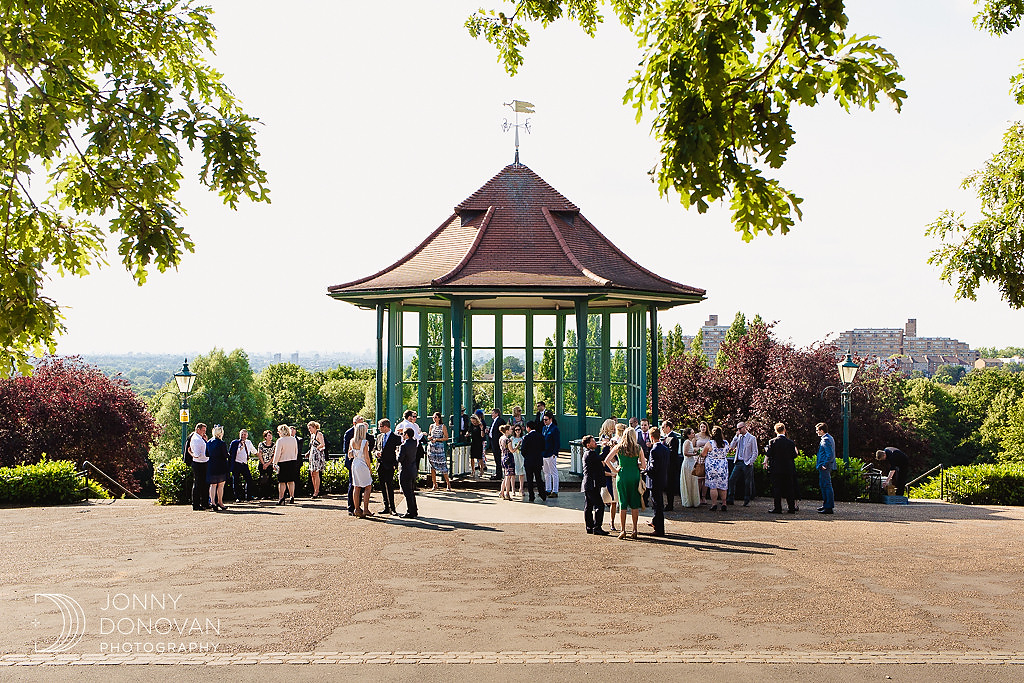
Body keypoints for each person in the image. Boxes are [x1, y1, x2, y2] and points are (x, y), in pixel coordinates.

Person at [605, 427, 646, 539]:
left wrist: (615, 470)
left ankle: (623, 530)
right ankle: (634, 529)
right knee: (634, 504)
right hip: (634, 475)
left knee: (622, 504)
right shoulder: (638, 448)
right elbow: (644, 465)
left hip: (622, 475)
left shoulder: (619, 447)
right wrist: (636, 465)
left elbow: (607, 460)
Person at [765, 422, 799, 514]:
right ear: (784, 430)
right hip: (788, 468)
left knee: (777, 489)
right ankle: (791, 508)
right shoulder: (790, 443)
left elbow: (769, 454)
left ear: (776, 431)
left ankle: (778, 508)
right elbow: (794, 455)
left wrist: (766, 461)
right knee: (789, 488)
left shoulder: (772, 441)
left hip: (776, 468)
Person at [581, 435, 608, 535]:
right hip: (592, 484)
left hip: (589, 484)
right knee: (599, 505)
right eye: (593, 441)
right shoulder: (590, 454)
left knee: (588, 506)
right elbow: (601, 457)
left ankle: (590, 526)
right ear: (588, 445)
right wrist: (607, 448)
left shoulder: (588, 453)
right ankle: (597, 527)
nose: (595, 442)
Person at [727, 421, 758, 506]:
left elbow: (755, 452)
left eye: (740, 428)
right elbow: (732, 447)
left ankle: (747, 499)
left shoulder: (752, 438)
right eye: (737, 429)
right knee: (732, 479)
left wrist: (750, 462)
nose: (739, 430)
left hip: (746, 462)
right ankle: (730, 498)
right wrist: (735, 437)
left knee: (747, 482)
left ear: (745, 427)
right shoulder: (738, 437)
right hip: (738, 461)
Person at [647, 426, 669, 536]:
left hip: (654, 481)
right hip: (662, 478)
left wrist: (645, 470)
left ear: (651, 437)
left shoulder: (654, 450)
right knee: (659, 503)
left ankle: (659, 529)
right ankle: (656, 523)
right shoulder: (665, 449)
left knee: (657, 505)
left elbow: (652, 468)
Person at [376, 418, 401, 514]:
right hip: (380, 465)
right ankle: (386, 507)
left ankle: (393, 508)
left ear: (385, 427)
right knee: (382, 486)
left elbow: (398, 451)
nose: (379, 428)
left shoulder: (395, 437)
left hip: (390, 465)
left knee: (390, 486)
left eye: (380, 427)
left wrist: (395, 464)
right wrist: (376, 453)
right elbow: (375, 448)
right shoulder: (379, 437)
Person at [598, 419, 620, 531]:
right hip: (608, 470)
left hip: (614, 467)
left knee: (614, 500)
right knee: (608, 497)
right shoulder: (605, 441)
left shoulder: (614, 439)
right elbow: (603, 458)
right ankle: (603, 522)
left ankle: (612, 522)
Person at [702, 425, 730, 511]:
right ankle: (724, 503)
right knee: (723, 485)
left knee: (713, 486)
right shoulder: (725, 443)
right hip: (723, 465)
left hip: (712, 466)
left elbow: (703, 454)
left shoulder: (710, 443)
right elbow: (727, 452)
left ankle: (714, 504)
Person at [343, 415, 367, 515]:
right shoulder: (349, 433)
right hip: (354, 462)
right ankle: (351, 507)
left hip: (362, 461)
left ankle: (358, 506)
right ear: (354, 423)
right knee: (353, 485)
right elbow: (346, 450)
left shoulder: (365, 433)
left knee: (361, 485)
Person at [348, 422, 373, 518]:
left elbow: (349, 454)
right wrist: (370, 468)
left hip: (355, 463)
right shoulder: (364, 442)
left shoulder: (352, 441)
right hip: (362, 464)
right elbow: (367, 457)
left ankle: (357, 509)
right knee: (368, 486)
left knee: (356, 486)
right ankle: (366, 509)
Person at [272, 424, 299, 505]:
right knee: (291, 481)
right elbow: (296, 451)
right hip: (292, 461)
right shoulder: (293, 439)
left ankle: (281, 498)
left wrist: (274, 463)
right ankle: (292, 496)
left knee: (282, 482)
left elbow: (277, 453)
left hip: (283, 462)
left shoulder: (280, 441)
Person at [228, 428, 256, 502]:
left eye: (244, 434)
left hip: (244, 464)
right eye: (242, 434)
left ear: (247, 435)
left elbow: (254, 451)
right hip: (237, 464)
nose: (243, 436)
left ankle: (248, 497)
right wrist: (240, 448)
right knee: (236, 481)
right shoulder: (235, 443)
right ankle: (238, 497)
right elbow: (231, 454)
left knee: (249, 480)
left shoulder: (249, 442)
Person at [206, 425, 230, 511]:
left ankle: (212, 502)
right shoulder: (222, 443)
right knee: (221, 485)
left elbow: (206, 454)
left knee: (212, 485)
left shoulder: (209, 442)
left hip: (212, 464)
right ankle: (220, 502)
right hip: (221, 465)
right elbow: (225, 455)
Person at [521, 420, 547, 502]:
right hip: (538, 460)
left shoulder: (526, 437)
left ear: (528, 428)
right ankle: (542, 494)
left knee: (529, 479)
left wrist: (527, 456)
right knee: (538, 478)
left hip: (529, 461)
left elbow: (523, 451)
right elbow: (543, 447)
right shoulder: (540, 436)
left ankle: (531, 496)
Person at [397, 427, 419, 518]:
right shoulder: (414, 443)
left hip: (405, 470)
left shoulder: (404, 446)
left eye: (403, 434)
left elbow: (400, 459)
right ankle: (414, 510)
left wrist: (397, 453)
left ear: (406, 435)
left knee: (407, 492)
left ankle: (410, 511)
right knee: (411, 492)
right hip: (412, 469)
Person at [427, 412, 452, 492]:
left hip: (439, 448)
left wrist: (437, 439)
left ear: (439, 418)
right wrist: (430, 438)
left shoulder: (443, 426)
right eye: (433, 417)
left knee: (443, 465)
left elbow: (446, 437)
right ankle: (434, 484)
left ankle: (448, 484)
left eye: (435, 417)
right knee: (432, 466)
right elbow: (429, 435)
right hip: (432, 448)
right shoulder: (431, 426)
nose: (434, 419)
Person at [815, 422, 837, 514]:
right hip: (827, 465)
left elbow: (829, 454)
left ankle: (828, 506)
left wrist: (824, 464)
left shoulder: (825, 439)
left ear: (822, 430)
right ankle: (826, 505)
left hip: (825, 466)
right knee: (825, 485)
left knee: (826, 485)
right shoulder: (829, 438)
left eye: (817, 430)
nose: (817, 432)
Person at [188, 423, 209, 511]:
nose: (204, 432)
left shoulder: (200, 438)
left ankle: (204, 503)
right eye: (203, 430)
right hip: (199, 463)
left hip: (204, 462)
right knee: (198, 484)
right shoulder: (196, 439)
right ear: (198, 430)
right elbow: (196, 455)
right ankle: (196, 504)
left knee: (204, 484)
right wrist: (190, 453)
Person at [661, 420, 681, 511]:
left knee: (670, 485)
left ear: (668, 427)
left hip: (670, 466)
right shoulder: (668, 437)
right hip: (667, 466)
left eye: (663, 427)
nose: (662, 429)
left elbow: (673, 453)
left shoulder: (673, 438)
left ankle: (670, 504)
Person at [679, 428, 701, 508]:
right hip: (688, 463)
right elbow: (685, 453)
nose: (693, 434)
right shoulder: (687, 442)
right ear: (688, 435)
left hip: (691, 463)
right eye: (692, 433)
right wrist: (694, 454)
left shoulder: (690, 442)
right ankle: (688, 500)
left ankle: (692, 500)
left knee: (693, 481)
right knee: (689, 481)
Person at [541, 411, 561, 498]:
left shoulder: (554, 429)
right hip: (544, 453)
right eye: (544, 420)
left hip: (551, 454)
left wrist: (555, 453)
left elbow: (557, 442)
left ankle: (555, 490)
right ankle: (548, 489)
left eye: (546, 420)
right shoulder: (544, 428)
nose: (544, 421)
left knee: (554, 472)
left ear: (550, 419)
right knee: (546, 472)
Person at [306, 421, 327, 500]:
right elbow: (311, 445)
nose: (309, 430)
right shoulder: (312, 435)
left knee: (316, 472)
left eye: (310, 428)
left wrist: (317, 449)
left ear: (314, 427)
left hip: (317, 455)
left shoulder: (319, 434)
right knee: (312, 473)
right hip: (312, 455)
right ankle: (314, 489)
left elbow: (323, 444)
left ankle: (316, 491)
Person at [256, 429, 275, 500]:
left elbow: (274, 455)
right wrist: (264, 464)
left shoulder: (274, 445)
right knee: (262, 479)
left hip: (270, 464)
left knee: (269, 479)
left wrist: (268, 463)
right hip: (262, 464)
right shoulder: (261, 444)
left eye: (271, 435)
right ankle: (261, 494)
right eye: (268, 436)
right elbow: (260, 454)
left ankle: (269, 495)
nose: (270, 437)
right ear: (265, 437)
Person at [488, 408, 506, 480]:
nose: (492, 414)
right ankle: (498, 473)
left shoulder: (500, 421)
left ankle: (499, 474)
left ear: (497, 414)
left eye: (493, 413)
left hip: (497, 442)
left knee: (498, 458)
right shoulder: (494, 421)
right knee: (496, 458)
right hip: (493, 441)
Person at [695, 422, 711, 504]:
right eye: (701, 427)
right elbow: (693, 446)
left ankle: (703, 496)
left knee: (705, 479)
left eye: (704, 427)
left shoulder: (709, 437)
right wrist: (698, 449)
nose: (702, 428)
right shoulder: (696, 436)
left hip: (707, 458)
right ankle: (698, 496)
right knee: (698, 478)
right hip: (698, 458)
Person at [499, 424, 515, 500]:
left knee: (505, 476)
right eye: (511, 429)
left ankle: (502, 492)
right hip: (509, 458)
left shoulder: (501, 438)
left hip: (503, 457)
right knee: (508, 476)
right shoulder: (508, 440)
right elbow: (511, 450)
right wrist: (517, 446)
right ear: (507, 431)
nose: (512, 431)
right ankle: (507, 493)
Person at [510, 424, 526, 496]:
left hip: (521, 456)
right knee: (513, 474)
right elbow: (511, 450)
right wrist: (517, 445)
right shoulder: (512, 438)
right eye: (516, 430)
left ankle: (521, 488)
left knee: (521, 473)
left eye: (519, 430)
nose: (517, 431)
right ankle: (513, 489)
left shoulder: (523, 438)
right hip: (514, 456)